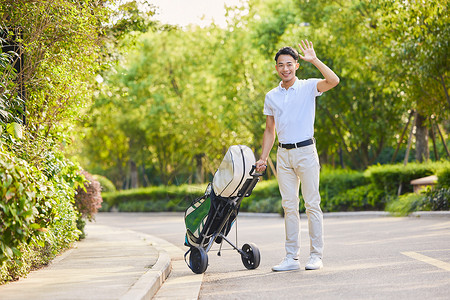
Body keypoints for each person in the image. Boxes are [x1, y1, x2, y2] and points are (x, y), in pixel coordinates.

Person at [255, 40, 339, 271]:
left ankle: (315, 255)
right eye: (281, 65)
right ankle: (291, 258)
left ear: (297, 66)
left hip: (306, 152)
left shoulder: (308, 86)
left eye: (289, 64)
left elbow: (333, 81)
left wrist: (315, 60)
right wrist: (263, 157)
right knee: (289, 206)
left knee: (312, 204)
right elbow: (270, 130)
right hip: (284, 155)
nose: (285, 69)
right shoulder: (271, 96)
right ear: (276, 68)